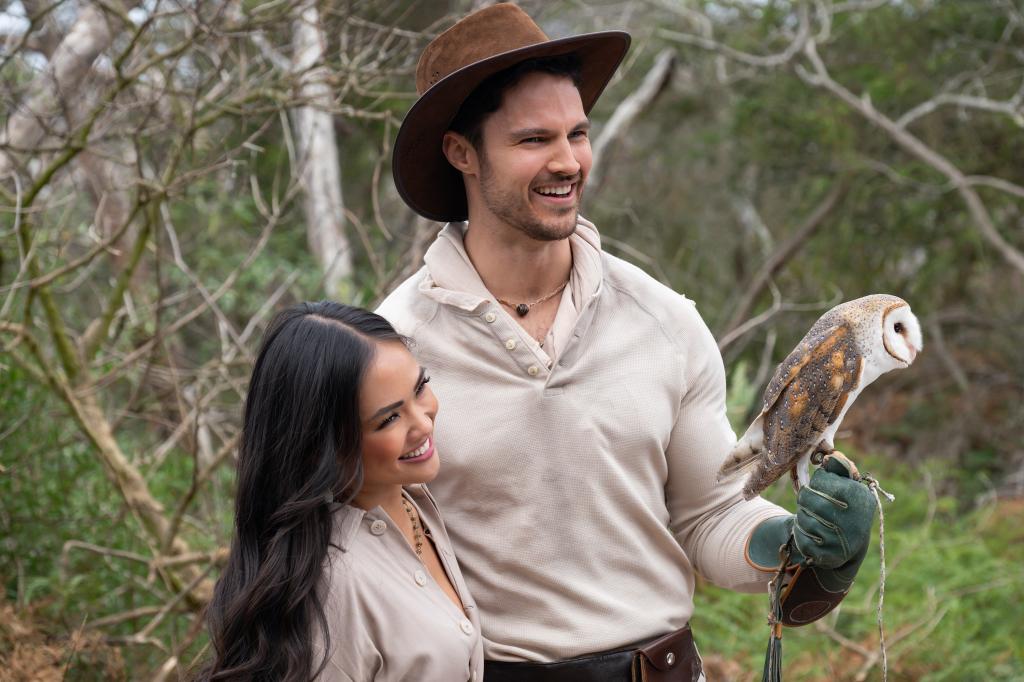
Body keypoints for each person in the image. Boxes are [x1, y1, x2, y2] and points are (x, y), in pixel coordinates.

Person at [377, 4, 876, 680]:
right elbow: (370, 552)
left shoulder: (662, 321)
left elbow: (708, 515)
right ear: (462, 152)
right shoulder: (396, 347)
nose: (568, 162)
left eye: (578, 134)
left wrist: (796, 542)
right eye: (533, 140)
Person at [200, 301, 483, 682]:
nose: (424, 422)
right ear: (321, 444)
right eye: (389, 418)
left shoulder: (414, 498)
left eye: (420, 388)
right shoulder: (331, 588)